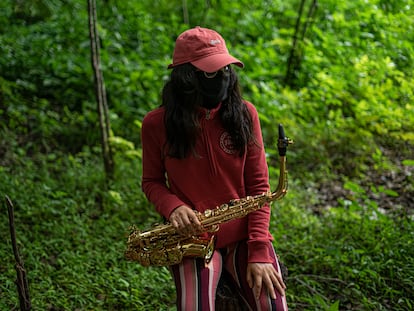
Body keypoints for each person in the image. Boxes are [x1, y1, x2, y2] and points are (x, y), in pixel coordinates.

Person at [141, 26, 288, 311]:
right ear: (185, 77)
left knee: (272, 304)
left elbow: (260, 190)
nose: (221, 79)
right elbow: (152, 181)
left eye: (225, 70)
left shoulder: (245, 114)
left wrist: (259, 251)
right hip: (192, 237)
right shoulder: (156, 124)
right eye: (210, 73)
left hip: (246, 235)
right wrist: (173, 207)